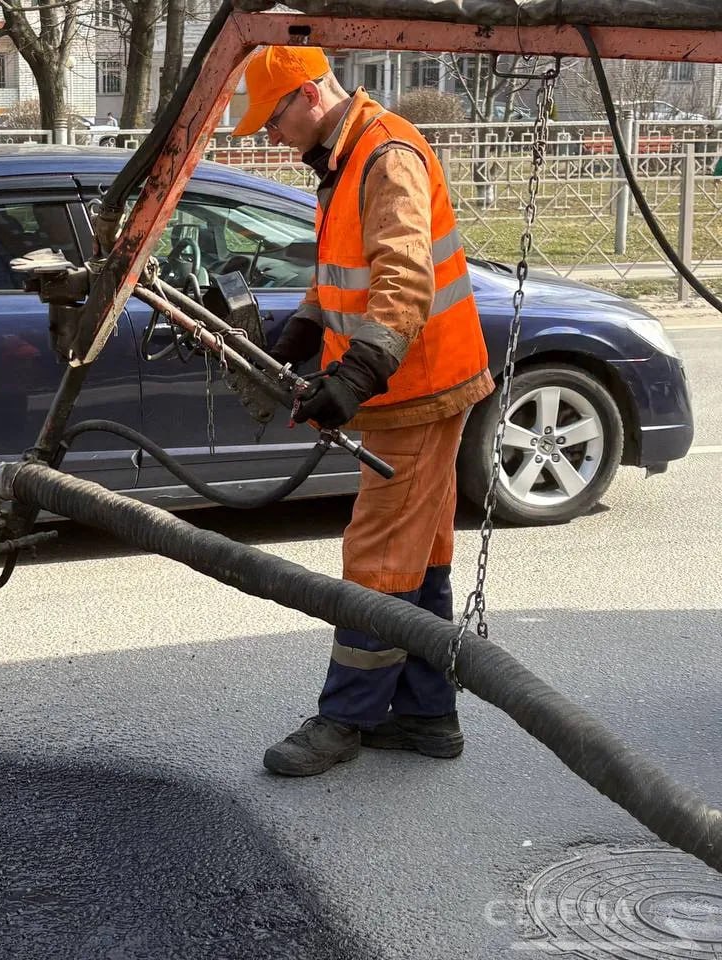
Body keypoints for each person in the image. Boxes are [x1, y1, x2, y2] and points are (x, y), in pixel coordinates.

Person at [230, 46, 494, 777]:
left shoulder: (386, 156)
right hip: (412, 385)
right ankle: (426, 714)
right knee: (419, 553)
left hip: (416, 389)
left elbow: (403, 277)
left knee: (376, 559)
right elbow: (343, 269)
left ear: (308, 95)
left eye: (272, 118)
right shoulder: (343, 161)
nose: (270, 135)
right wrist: (305, 328)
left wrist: (358, 372)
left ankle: (346, 718)